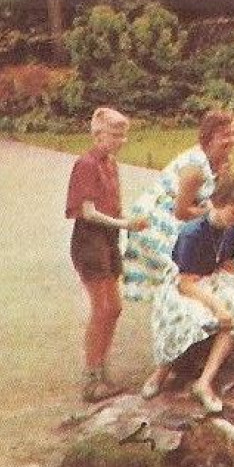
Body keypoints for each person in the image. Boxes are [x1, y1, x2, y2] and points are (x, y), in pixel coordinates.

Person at [141, 174, 234, 414]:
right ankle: (162, 371)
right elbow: (185, 284)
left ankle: (204, 382)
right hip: (184, 285)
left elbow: (225, 263)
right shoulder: (192, 233)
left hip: (210, 280)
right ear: (217, 203)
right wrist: (217, 305)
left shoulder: (230, 227)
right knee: (189, 315)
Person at [121, 109, 234, 302]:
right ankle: (193, 288)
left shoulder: (222, 159)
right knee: (204, 229)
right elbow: (181, 212)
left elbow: (225, 195)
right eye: (225, 136)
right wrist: (212, 212)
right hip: (162, 211)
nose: (232, 140)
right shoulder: (195, 169)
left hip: (196, 205)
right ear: (209, 139)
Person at [66, 108, 149, 402]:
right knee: (101, 307)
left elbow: (113, 206)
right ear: (97, 134)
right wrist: (125, 224)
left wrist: (129, 221)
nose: (121, 140)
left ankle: (102, 368)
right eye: (115, 135)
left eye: (123, 135)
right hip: (90, 240)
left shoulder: (111, 163)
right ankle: (92, 376)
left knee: (114, 307)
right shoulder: (86, 164)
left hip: (109, 237)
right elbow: (88, 213)